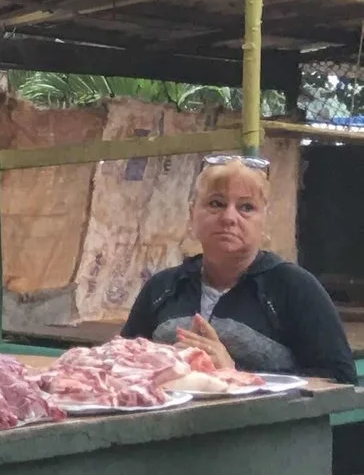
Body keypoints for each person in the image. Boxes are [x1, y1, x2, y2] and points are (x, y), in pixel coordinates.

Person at [121, 154, 355, 382]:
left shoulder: (294, 288)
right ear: (192, 214)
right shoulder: (161, 288)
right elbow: (121, 365)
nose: (229, 218)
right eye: (216, 204)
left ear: (264, 220)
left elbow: (341, 380)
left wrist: (235, 373)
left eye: (246, 207)